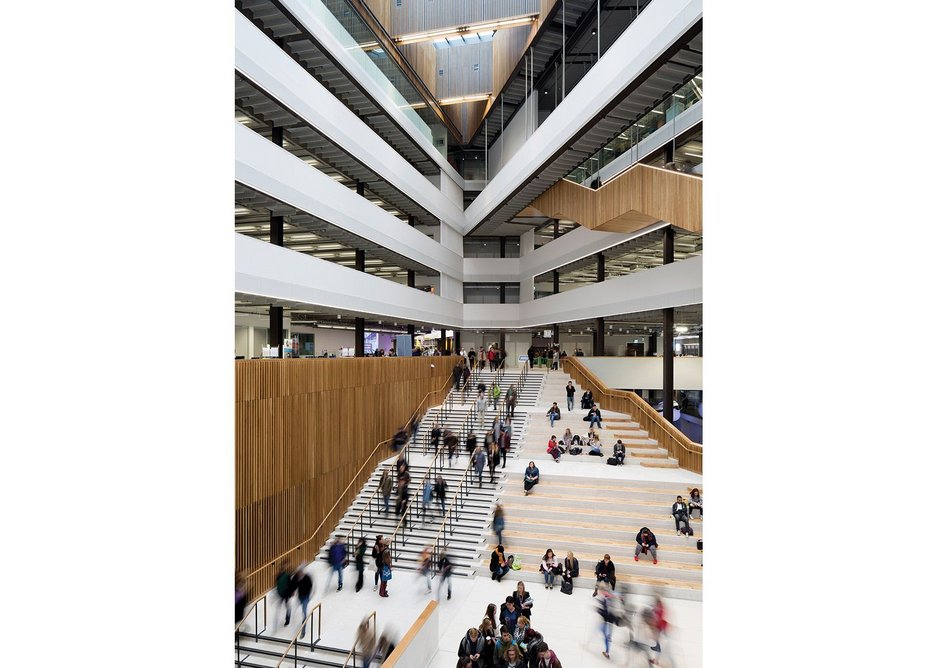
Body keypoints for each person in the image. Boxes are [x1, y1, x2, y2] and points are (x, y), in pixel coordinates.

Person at [596, 582, 617, 659]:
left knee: (606, 636)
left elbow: (606, 612)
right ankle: (607, 650)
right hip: (610, 620)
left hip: (608, 621)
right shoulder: (609, 595)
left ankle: (607, 652)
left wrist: (599, 610)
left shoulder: (605, 598)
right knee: (607, 635)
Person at [274, 561, 296, 626]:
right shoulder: (278, 576)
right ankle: (280, 619)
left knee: (287, 606)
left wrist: (292, 592)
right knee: (281, 606)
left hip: (286, 594)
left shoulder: (287, 575)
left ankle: (287, 619)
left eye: (280, 569)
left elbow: (291, 584)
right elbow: (277, 585)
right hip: (281, 594)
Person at [296, 564, 314, 637]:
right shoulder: (297, 578)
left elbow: (310, 585)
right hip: (300, 596)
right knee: (300, 608)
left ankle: (303, 630)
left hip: (306, 597)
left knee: (304, 612)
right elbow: (295, 585)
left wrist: (308, 593)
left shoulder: (307, 578)